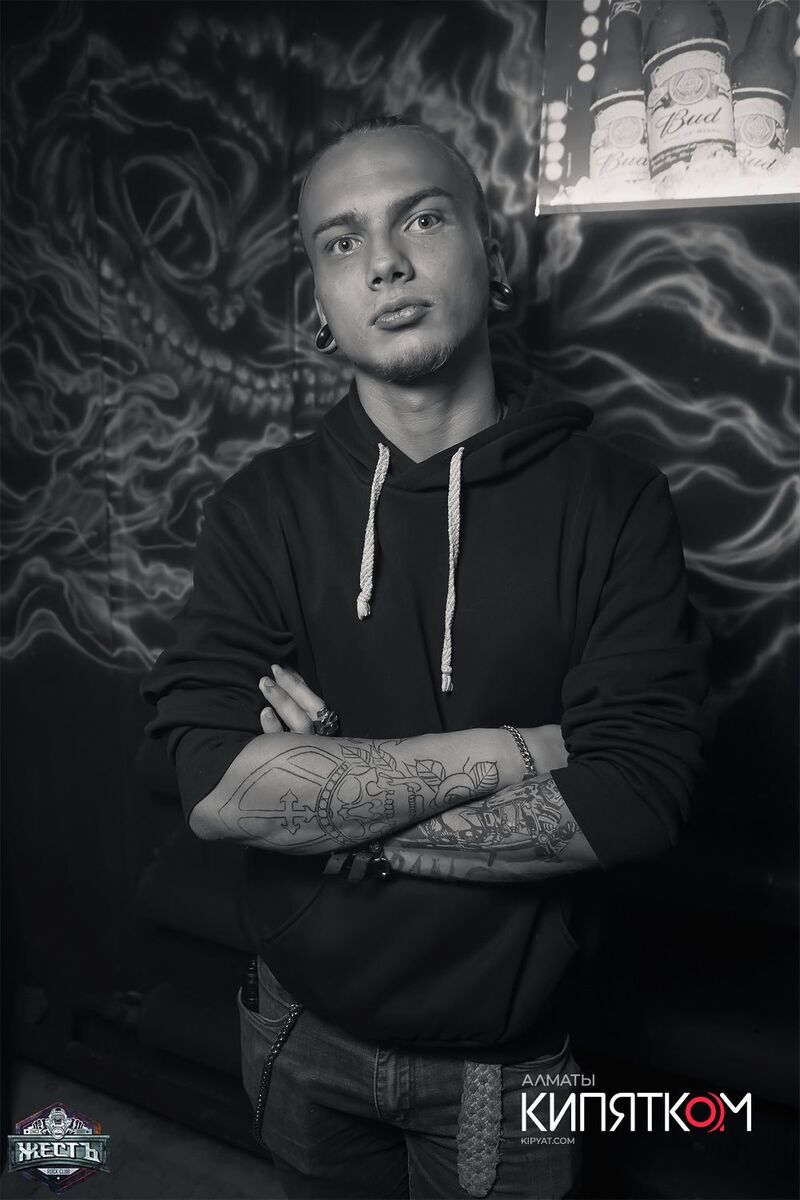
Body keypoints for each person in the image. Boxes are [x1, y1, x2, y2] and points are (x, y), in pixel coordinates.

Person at [140, 114, 713, 1200]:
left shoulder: (615, 504)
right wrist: (532, 748)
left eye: (422, 219)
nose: (386, 262)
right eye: (342, 240)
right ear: (318, 302)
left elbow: (635, 798)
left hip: (512, 1066)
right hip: (296, 1032)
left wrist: (327, 803)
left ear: (490, 254)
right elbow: (214, 786)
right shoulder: (260, 511)